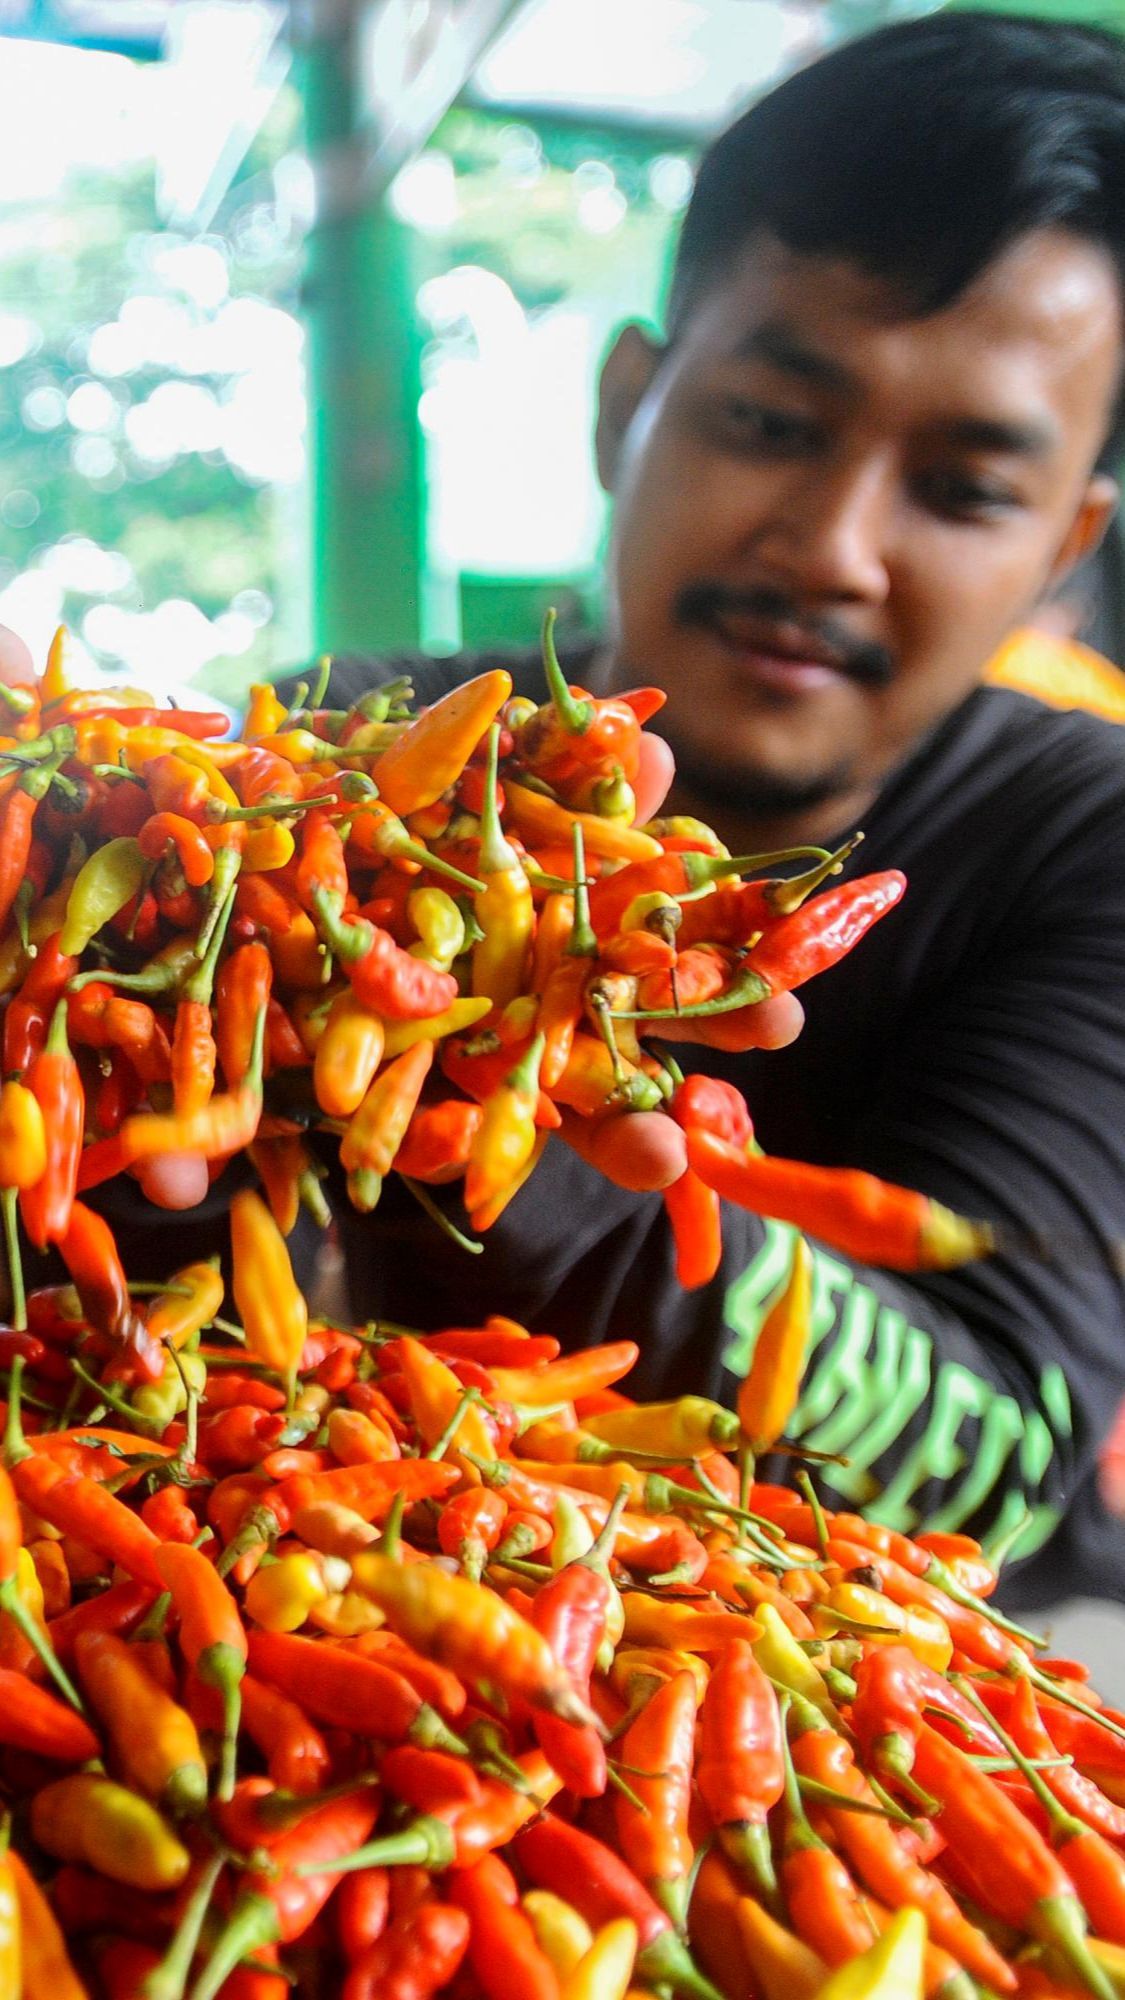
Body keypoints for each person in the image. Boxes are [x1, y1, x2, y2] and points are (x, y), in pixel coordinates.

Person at [7, 12, 1125, 1609]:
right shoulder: (342, 744)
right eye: (770, 421)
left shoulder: (1085, 837)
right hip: (327, 1609)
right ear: (627, 409)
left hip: (825, 1676)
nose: (831, 543)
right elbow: (117, 1315)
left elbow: (997, 1461)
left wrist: (502, 1112)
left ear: (1061, 545)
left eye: (963, 488)